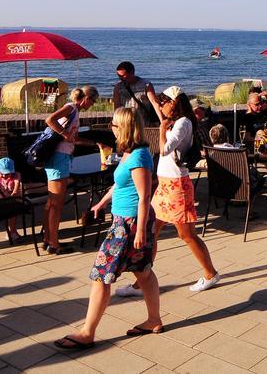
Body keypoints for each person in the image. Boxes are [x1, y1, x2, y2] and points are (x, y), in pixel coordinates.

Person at [54, 107, 161, 351]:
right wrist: (103, 201)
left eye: (113, 123)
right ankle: (154, 320)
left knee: (101, 275)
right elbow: (120, 183)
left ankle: (87, 332)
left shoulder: (139, 156)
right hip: (124, 221)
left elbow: (145, 197)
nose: (110, 127)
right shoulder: (129, 152)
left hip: (130, 225)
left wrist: (142, 232)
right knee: (142, 272)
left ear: (124, 127)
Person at [119, 91, 220, 297]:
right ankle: (143, 281)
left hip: (177, 185)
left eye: (165, 102)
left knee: (186, 234)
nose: (162, 105)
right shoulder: (174, 120)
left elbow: (165, 149)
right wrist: (152, 97)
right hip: (165, 185)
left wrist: (162, 129)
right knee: (151, 232)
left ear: (174, 103)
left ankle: (211, 274)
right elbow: (158, 111)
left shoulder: (183, 122)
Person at [41, 86, 98, 255]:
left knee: (52, 202)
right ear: (86, 98)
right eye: (93, 101)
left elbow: (74, 137)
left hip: (62, 157)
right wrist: (64, 133)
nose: (92, 105)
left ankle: (48, 238)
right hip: (59, 157)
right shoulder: (71, 107)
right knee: (56, 203)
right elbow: (50, 120)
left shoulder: (74, 111)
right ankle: (54, 242)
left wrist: (94, 144)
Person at [113, 61, 160, 126]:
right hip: (125, 124)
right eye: (119, 76)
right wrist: (115, 122)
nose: (121, 78)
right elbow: (117, 107)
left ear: (132, 72)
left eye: (123, 76)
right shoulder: (118, 87)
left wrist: (162, 120)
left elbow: (154, 103)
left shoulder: (146, 85)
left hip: (143, 123)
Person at [0, 157, 23, 244]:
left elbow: (17, 184)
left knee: (12, 214)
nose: (4, 175)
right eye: (2, 173)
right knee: (8, 215)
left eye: (7, 173)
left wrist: (15, 191)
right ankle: (12, 232)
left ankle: (12, 231)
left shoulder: (16, 175)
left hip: (15, 200)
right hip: (3, 201)